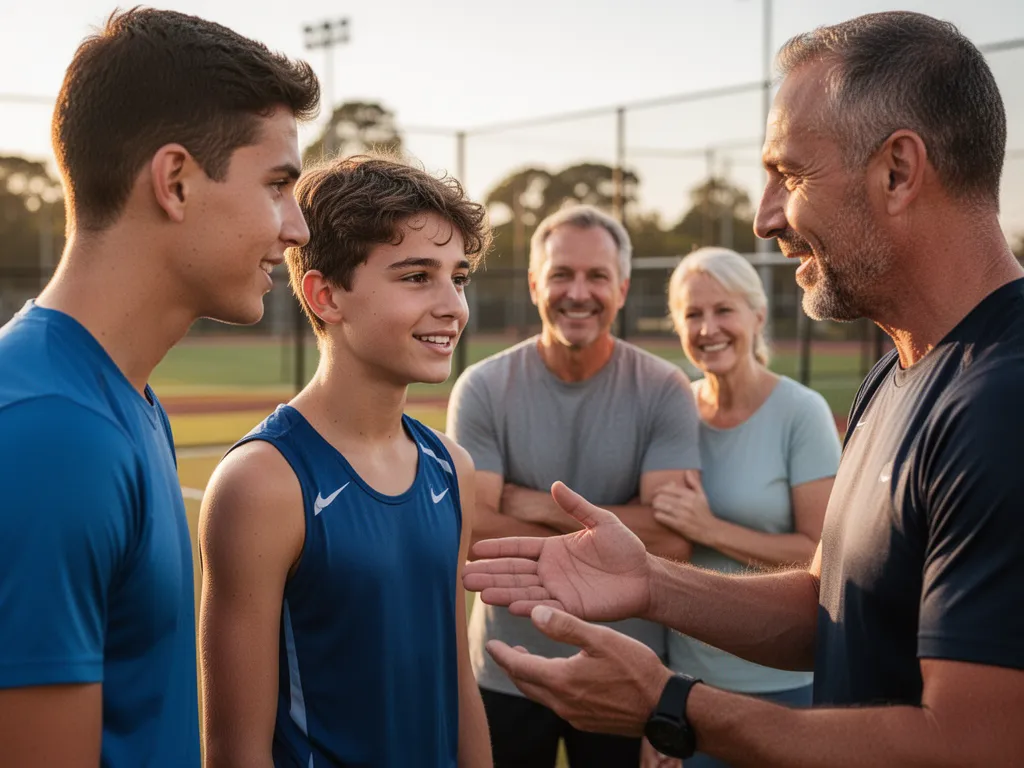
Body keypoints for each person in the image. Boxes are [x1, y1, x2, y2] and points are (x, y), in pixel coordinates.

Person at [463, 11, 1024, 766]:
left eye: (788, 175)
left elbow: (968, 747)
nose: (765, 220)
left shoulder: (1004, 404)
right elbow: (827, 611)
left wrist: (670, 705)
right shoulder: (901, 369)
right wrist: (651, 582)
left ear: (897, 171)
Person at [0, 9, 317, 767]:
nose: (297, 226)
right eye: (277, 185)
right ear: (175, 181)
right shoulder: (52, 436)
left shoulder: (120, 401)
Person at [199, 155, 493, 768]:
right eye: (417, 277)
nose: (452, 306)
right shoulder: (264, 483)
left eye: (458, 278)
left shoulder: (449, 468)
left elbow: (456, 681)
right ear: (326, 295)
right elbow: (235, 752)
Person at [447, 203, 700, 767]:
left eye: (596, 276)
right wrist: (618, 526)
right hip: (504, 666)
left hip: (627, 672)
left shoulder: (664, 388)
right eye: (561, 274)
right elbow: (475, 533)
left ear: (623, 287)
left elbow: (673, 538)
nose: (578, 292)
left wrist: (534, 504)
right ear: (536, 282)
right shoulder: (483, 387)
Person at [641, 247, 840, 768]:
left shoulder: (802, 412)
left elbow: (823, 559)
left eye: (723, 310)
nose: (708, 328)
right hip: (689, 689)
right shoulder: (673, 408)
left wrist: (711, 527)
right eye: (692, 314)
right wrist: (660, 700)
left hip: (787, 687)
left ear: (757, 314)